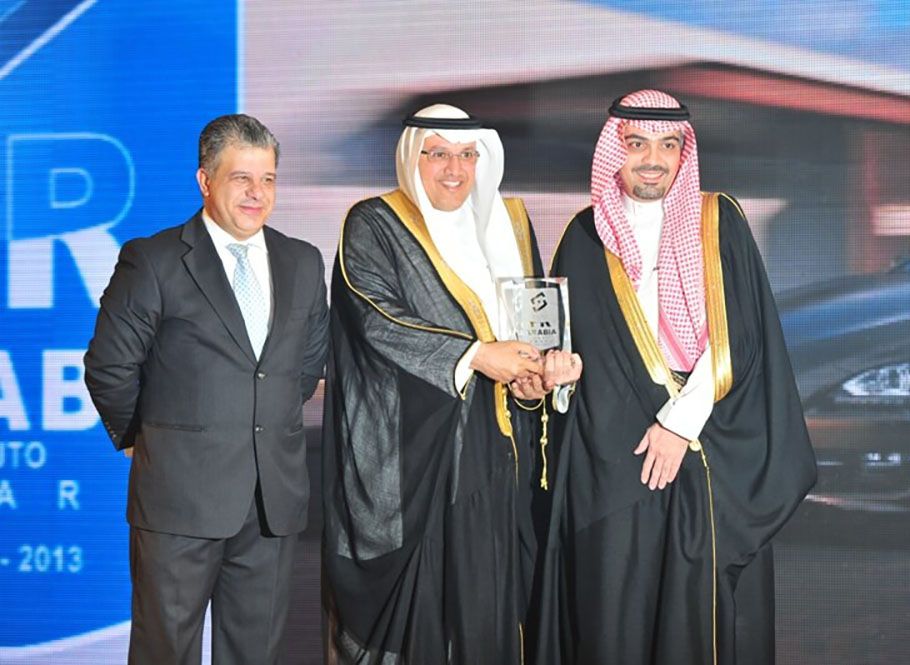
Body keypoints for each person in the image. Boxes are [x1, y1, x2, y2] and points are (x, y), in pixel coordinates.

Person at [533, 89, 816, 665]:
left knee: (696, 611)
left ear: (684, 153)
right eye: (637, 144)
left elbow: (741, 334)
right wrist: (553, 377)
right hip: (609, 462)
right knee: (611, 608)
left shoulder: (719, 221)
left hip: (702, 443)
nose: (653, 159)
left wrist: (678, 422)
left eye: (668, 145)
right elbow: (559, 353)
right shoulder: (583, 237)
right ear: (615, 150)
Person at [322, 103, 579, 664]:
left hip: (502, 454)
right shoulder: (374, 223)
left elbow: (530, 332)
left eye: (467, 154)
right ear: (414, 159)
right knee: (431, 622)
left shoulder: (509, 222)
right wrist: (477, 355)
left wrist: (532, 382)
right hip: (419, 456)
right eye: (438, 153)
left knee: (495, 608)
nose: (454, 169)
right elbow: (375, 319)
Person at [84, 114, 329, 665]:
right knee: (164, 652)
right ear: (205, 181)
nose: (256, 193)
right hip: (178, 501)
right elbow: (109, 366)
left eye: (267, 179)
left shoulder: (303, 261)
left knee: (256, 654)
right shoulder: (155, 259)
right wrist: (141, 440)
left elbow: (308, 364)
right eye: (241, 178)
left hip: (272, 504)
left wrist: (262, 430)